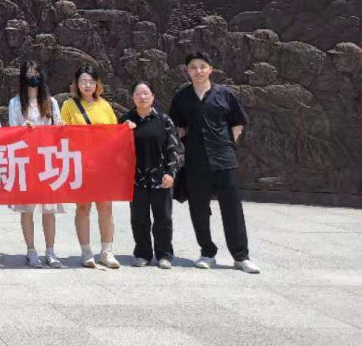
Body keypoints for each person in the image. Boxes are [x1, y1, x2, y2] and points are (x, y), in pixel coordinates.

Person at [168, 51, 259, 273]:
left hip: (224, 161)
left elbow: (238, 123)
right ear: (187, 71)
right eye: (193, 67)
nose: (198, 71)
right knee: (199, 209)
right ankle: (207, 252)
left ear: (210, 69)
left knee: (232, 209)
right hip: (196, 162)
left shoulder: (225, 94)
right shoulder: (182, 97)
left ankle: (241, 256)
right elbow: (178, 127)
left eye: (202, 66)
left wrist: (225, 144)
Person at [61, 65, 121, 269]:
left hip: (103, 164)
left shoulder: (104, 105)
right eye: (83, 81)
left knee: (105, 207)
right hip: (80, 163)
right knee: (83, 207)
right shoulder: (69, 105)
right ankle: (86, 251)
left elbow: (115, 134)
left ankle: (106, 251)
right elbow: (62, 132)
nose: (87, 85)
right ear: (76, 84)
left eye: (91, 81)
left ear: (97, 84)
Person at [7, 61, 64, 268]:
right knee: (27, 208)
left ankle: (50, 251)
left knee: (49, 209)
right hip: (26, 160)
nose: (33, 77)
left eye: (36, 73)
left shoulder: (51, 102)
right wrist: (23, 127)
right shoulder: (15, 103)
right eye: (29, 74)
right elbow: (11, 131)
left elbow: (58, 127)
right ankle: (31, 251)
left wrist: (60, 127)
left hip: (47, 160)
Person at [125, 80, 184, 269]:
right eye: (138, 94)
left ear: (152, 97)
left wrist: (170, 173)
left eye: (146, 93)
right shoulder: (126, 120)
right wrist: (124, 130)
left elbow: (174, 148)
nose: (142, 97)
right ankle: (142, 253)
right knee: (139, 219)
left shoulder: (164, 120)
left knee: (163, 218)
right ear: (133, 98)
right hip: (136, 179)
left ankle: (164, 254)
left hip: (161, 179)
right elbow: (116, 150)